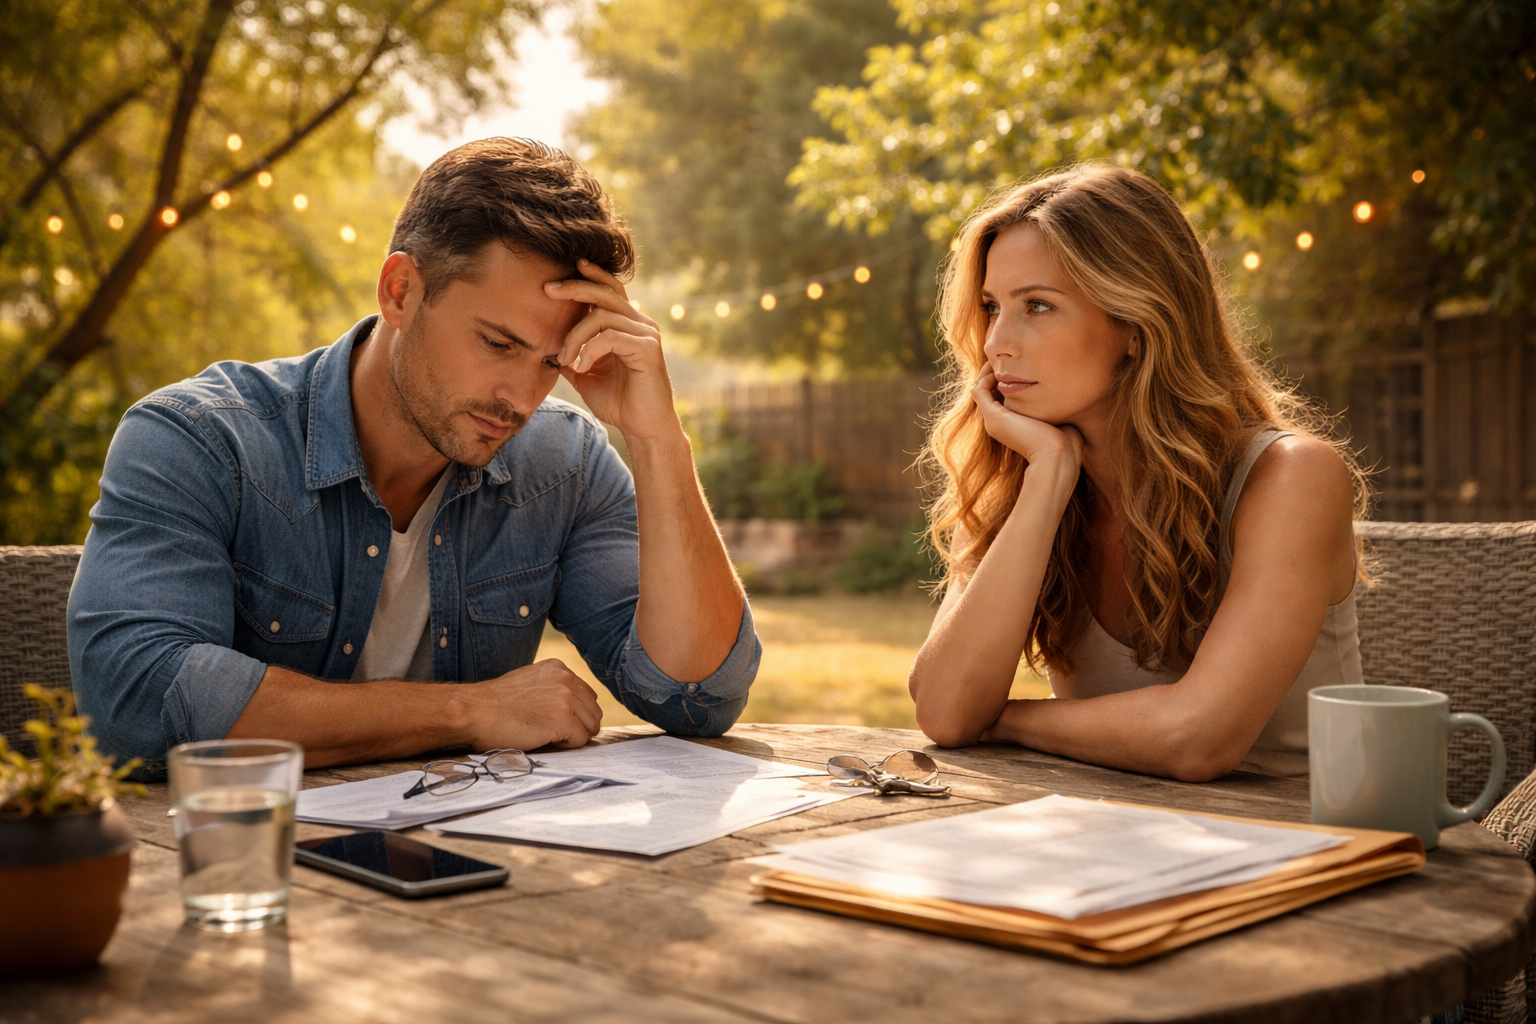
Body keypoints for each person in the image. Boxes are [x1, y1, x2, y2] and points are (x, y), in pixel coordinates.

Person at [68, 138, 758, 774]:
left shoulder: (565, 466)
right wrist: (466, 711)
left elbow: (695, 698)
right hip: (243, 873)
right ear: (401, 291)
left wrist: (658, 440)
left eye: (550, 361)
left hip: (477, 885)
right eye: (497, 342)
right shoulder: (201, 439)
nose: (520, 397)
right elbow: (137, 700)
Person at [908, 163, 1366, 781]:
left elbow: (1197, 736)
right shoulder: (1020, 481)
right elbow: (945, 710)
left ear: (1136, 322)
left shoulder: (1291, 478)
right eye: (992, 307)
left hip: (1299, 851)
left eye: (1037, 306)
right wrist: (1047, 477)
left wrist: (1007, 719)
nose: (995, 343)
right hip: (1108, 843)